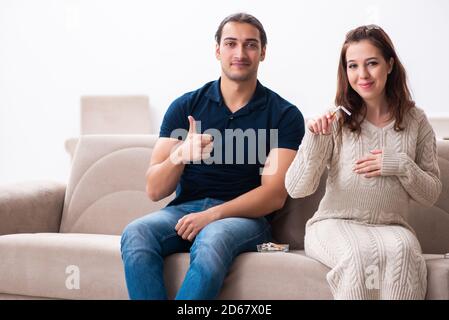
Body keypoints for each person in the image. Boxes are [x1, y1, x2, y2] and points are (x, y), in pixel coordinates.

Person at [120, 13, 304, 300]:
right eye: (230, 44)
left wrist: (211, 216)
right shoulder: (185, 106)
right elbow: (155, 189)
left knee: (212, 238)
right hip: (184, 210)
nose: (240, 53)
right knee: (136, 233)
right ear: (217, 50)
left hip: (246, 220)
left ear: (263, 52)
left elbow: (273, 196)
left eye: (250, 45)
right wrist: (180, 155)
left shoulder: (284, 115)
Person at [285, 25, 441, 299]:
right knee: (359, 256)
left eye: (372, 63)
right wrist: (314, 141)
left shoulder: (416, 121)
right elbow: (296, 189)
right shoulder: (335, 120)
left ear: (390, 64)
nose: (362, 75)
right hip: (333, 224)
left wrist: (401, 164)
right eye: (353, 66)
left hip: (392, 228)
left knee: (404, 253)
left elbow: (430, 194)